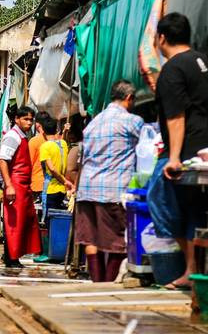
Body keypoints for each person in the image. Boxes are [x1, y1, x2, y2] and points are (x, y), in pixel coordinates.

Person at [148, 12, 208, 289]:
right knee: (195, 209)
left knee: (159, 198)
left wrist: (175, 157)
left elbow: (176, 116)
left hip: (187, 151)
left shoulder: (172, 69)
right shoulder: (204, 60)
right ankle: (193, 270)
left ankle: (192, 267)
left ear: (162, 38)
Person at [75, 80, 144, 282]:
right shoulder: (132, 122)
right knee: (118, 239)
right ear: (129, 98)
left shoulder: (94, 122)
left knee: (91, 238)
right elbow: (148, 146)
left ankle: (96, 281)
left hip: (87, 189)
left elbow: (82, 157)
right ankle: (106, 282)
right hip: (113, 190)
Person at [0, 105, 42, 267]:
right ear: (17, 119)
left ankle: (11, 256)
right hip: (15, 184)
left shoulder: (22, 136)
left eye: (31, 119)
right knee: (14, 223)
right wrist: (9, 185)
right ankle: (11, 258)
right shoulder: (13, 136)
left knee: (21, 222)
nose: (29, 123)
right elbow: (3, 160)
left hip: (23, 185)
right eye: (26, 119)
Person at [39, 116, 73, 223]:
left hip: (51, 189)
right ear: (55, 130)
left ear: (43, 132)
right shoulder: (63, 144)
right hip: (62, 191)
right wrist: (64, 131)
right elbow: (60, 141)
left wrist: (64, 181)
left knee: (49, 222)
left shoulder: (45, 147)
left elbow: (52, 169)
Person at [28, 111, 50, 203]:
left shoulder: (34, 141)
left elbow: (29, 164)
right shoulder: (57, 140)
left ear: (37, 124)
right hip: (52, 185)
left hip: (37, 185)